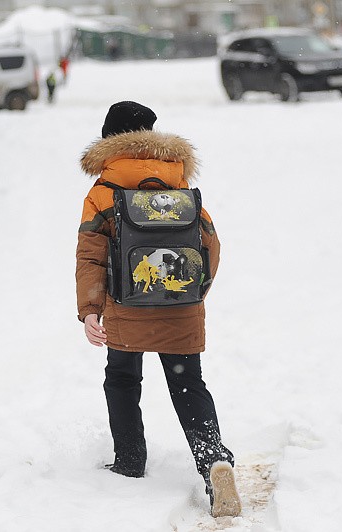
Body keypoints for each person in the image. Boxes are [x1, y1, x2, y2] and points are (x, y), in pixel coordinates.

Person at [75, 101, 241, 518]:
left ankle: (129, 461)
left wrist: (91, 309)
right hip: (179, 302)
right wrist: (192, 293)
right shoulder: (179, 183)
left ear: (110, 140)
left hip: (124, 305)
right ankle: (213, 460)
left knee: (122, 379)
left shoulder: (103, 191)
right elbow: (211, 245)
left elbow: (90, 257)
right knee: (188, 385)